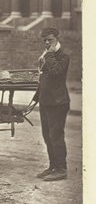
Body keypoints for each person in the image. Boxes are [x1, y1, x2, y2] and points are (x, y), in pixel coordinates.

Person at [32, 26, 70, 181]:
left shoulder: (62, 56)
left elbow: (56, 72)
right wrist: (37, 97)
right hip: (46, 101)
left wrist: (50, 54)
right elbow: (44, 79)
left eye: (50, 40)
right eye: (45, 41)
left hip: (58, 103)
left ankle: (61, 169)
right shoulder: (47, 55)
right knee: (47, 136)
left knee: (56, 136)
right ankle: (53, 166)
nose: (47, 43)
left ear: (57, 39)